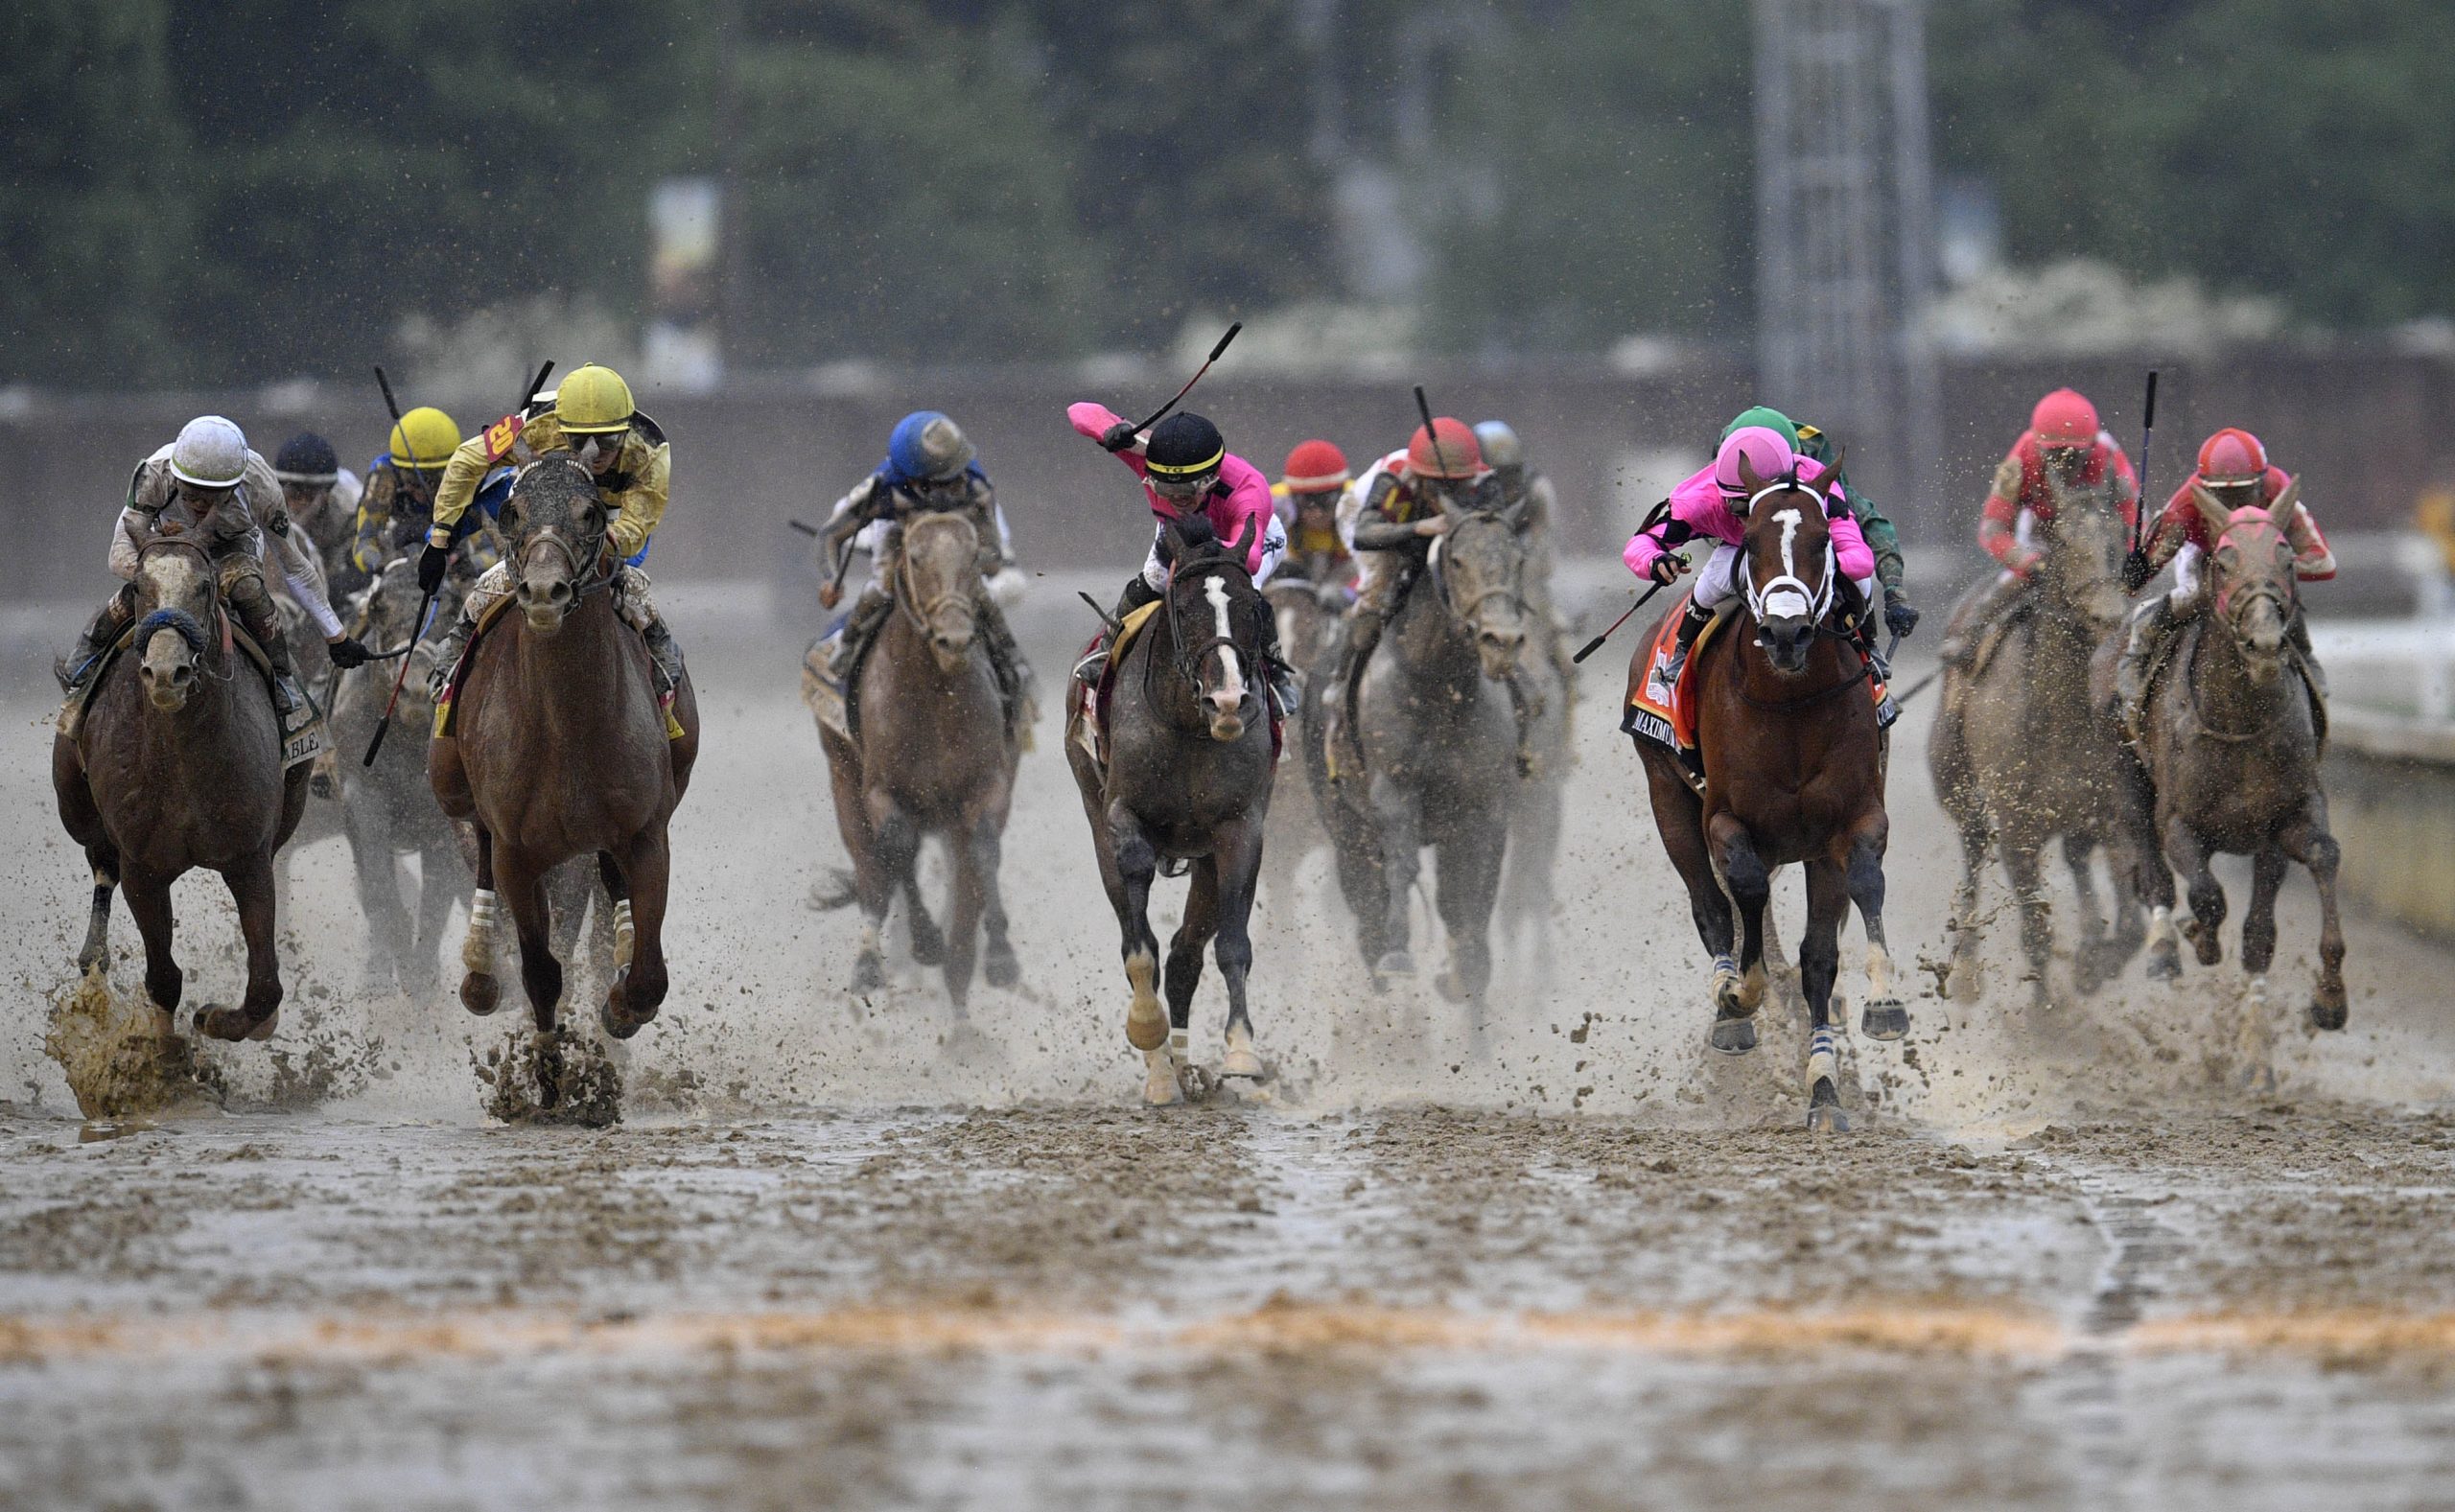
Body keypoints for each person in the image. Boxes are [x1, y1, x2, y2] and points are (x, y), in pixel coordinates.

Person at [59, 416, 372, 732]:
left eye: (213, 495)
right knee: (140, 591)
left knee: (250, 590)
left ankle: (282, 677)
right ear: (175, 475)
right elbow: (118, 554)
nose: (200, 503)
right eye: (192, 492)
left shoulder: (261, 486)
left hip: (232, 545)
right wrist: (163, 574)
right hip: (167, 547)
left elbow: (294, 566)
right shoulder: (153, 472)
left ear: (237, 483)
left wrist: (336, 636)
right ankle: (88, 654)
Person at [420, 364, 685, 717]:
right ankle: (457, 645)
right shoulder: (534, 426)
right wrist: (440, 538)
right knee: (503, 573)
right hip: (544, 503)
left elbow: (636, 529)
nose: (595, 450)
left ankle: (658, 645)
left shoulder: (650, 451)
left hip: (608, 516)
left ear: (626, 430)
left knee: (625, 577)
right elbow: (467, 460)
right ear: (561, 427)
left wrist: (592, 542)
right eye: (579, 440)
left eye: (608, 441)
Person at [1321, 416, 1547, 773]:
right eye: (1438, 486)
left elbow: (1494, 535)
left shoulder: (1483, 481)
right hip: (1374, 521)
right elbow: (1366, 533)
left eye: (1455, 487)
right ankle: (1339, 684)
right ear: (1421, 476)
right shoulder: (1397, 477)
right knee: (1380, 596)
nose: (1447, 495)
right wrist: (1420, 528)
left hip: (1437, 530)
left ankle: (1513, 678)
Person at [1066, 401, 1297, 714]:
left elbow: (1249, 558)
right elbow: (1079, 411)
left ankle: (1276, 676)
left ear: (1210, 480)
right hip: (1182, 532)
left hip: (1244, 542)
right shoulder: (1148, 458)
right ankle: (1107, 653)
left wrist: (1191, 566)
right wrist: (1111, 431)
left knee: (1238, 595)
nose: (1176, 500)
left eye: (1187, 493)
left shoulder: (1249, 490)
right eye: (1165, 490)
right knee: (1150, 583)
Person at [2113, 426, 2335, 736]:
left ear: (2261, 485)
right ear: (2205, 490)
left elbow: (2323, 561)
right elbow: (2137, 579)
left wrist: (2271, 569)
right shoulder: (2185, 505)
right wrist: (2136, 570)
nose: (2234, 506)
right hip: (2205, 560)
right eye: (2223, 497)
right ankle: (2134, 675)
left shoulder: (2279, 490)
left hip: (2264, 568)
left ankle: (2308, 664)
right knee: (2183, 600)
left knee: (2275, 601)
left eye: (2243, 495)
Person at [813, 410, 1036, 712]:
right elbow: (830, 535)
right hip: (898, 531)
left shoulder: (976, 485)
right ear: (910, 476)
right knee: (883, 586)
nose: (949, 489)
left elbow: (993, 553)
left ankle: (1011, 660)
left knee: (977, 591)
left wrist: (967, 563)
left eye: (954, 477)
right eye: (938, 482)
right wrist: (831, 577)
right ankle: (848, 647)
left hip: (957, 535)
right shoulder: (884, 488)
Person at [1622, 425, 1878, 685]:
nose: (1752, 516)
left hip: (1802, 548)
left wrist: (1823, 563)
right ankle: (1681, 654)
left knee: (1861, 581)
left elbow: (1861, 559)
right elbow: (1639, 546)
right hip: (1744, 548)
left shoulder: (1818, 487)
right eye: (1741, 507)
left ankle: (1870, 647)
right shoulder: (1700, 500)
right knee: (1714, 578)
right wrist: (1655, 561)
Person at [1935, 387, 2139, 667]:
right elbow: (1992, 528)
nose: (2066, 462)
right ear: (2040, 446)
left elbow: (2134, 517)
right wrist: (2028, 563)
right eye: (2056, 454)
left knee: (2124, 590)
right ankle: (1969, 634)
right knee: (2013, 582)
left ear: (2091, 446)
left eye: (2074, 454)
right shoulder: (2021, 460)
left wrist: (2130, 557)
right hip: (2042, 533)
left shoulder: (2109, 456)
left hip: (2098, 536)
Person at [1715, 407, 1921, 647]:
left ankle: (1868, 649)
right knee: (1714, 586)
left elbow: (1873, 524)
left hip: (1808, 548)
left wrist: (1894, 592)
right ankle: (1677, 659)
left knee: (1846, 583)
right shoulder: (1727, 460)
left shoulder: (1814, 464)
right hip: (1749, 550)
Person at [1473, 419, 1578, 685]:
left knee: (1546, 620)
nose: (1507, 485)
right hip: (1482, 568)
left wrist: (1519, 566)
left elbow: (1544, 543)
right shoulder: (1471, 491)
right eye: (1499, 475)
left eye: (1511, 474)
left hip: (1525, 567)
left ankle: (1558, 676)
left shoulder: (1536, 489)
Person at [345, 406, 490, 597]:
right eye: (412, 483)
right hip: (399, 561)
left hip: (454, 564)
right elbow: (364, 542)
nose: (421, 493)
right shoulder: (384, 475)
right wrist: (382, 563)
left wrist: (468, 565)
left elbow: (492, 550)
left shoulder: (469, 478)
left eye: (433, 483)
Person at [270, 431, 362, 577]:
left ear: (326, 495)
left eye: (308, 496)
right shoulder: (265, 502)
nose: (300, 504)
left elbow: (362, 572)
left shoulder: (351, 510)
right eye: (294, 495)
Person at [1271, 439, 1356, 588]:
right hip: (1294, 570)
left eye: (1326, 501)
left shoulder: (1359, 502)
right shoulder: (1273, 503)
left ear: (1342, 495)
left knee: (1333, 594)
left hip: (1348, 572)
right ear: (1291, 497)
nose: (1316, 513)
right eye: (1305, 501)